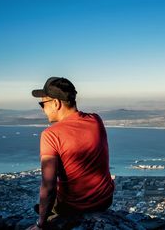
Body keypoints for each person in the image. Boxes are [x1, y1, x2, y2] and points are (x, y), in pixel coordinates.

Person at [29, 77, 115, 229]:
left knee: (44, 205)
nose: (42, 109)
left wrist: (40, 224)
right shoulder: (95, 120)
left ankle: (50, 215)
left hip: (74, 207)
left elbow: (48, 186)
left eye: (42, 104)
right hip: (105, 200)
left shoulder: (51, 135)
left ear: (56, 103)